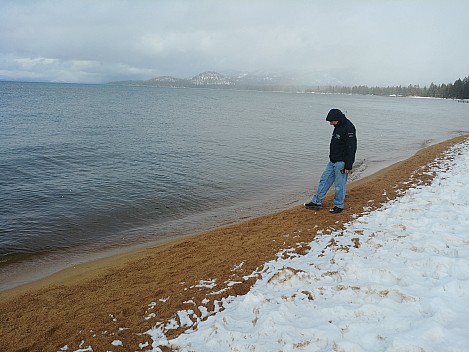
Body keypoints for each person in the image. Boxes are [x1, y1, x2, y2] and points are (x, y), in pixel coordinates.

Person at [304, 108, 357, 214]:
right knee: (324, 180)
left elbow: (352, 147)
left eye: (331, 121)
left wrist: (348, 165)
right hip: (333, 160)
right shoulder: (337, 126)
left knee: (339, 185)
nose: (331, 124)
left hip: (342, 162)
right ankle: (316, 202)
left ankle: (339, 205)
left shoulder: (348, 127)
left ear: (337, 119)